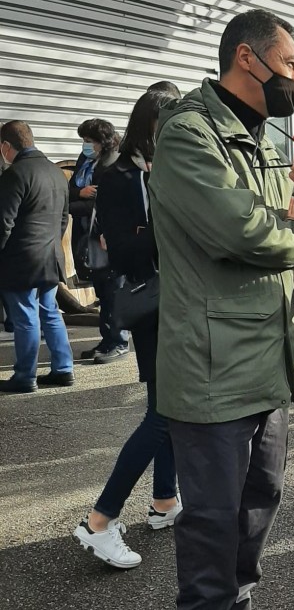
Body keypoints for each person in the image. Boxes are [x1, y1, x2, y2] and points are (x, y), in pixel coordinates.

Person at [149, 8, 294, 610]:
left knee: (260, 498)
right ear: (247, 60)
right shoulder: (190, 132)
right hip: (208, 365)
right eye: (290, 64)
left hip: (266, 358)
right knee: (210, 518)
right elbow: (240, 234)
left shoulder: (267, 134)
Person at [73, 90, 180, 569]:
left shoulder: (174, 166)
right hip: (154, 305)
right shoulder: (119, 175)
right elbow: (125, 253)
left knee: (176, 409)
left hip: (184, 303)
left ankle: (163, 502)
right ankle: (100, 519)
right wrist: (170, 222)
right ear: (150, 124)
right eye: (170, 120)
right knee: (163, 412)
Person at [0, 121, 74, 394]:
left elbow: (3, 223)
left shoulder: (14, 175)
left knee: (25, 318)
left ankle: (24, 376)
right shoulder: (56, 173)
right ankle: (63, 368)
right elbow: (64, 218)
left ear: (6, 146)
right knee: (50, 312)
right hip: (50, 256)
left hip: (21, 260)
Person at [71, 118, 129, 364]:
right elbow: (71, 188)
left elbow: (107, 201)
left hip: (107, 234)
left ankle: (119, 340)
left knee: (114, 290)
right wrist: (79, 194)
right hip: (87, 233)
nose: (85, 146)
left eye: (89, 141)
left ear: (102, 141)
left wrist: (75, 203)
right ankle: (107, 339)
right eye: (83, 140)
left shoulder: (114, 162)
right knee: (101, 291)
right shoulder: (86, 160)